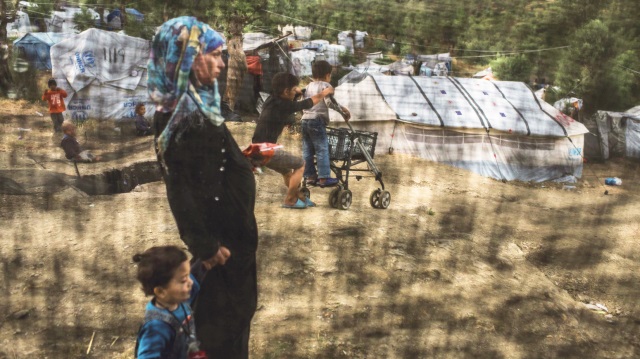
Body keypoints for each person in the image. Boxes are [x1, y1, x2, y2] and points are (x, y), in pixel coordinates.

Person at [148, 17, 257, 359]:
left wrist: (242, 163)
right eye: (214, 55)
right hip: (219, 250)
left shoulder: (200, 101)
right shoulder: (178, 113)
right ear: (187, 57)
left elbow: (212, 162)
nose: (223, 63)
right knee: (218, 331)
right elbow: (178, 186)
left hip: (234, 241)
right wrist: (206, 245)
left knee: (236, 323)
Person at [251, 72, 334, 209]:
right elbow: (308, 102)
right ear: (286, 91)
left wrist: (297, 92)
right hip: (266, 150)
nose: (296, 91)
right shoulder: (285, 105)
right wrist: (325, 92)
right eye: (294, 88)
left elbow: (291, 101)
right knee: (300, 164)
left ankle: (299, 196)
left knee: (287, 172)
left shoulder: (271, 100)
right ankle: (290, 200)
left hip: (256, 148)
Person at [133, 246, 206, 359]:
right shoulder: (156, 327)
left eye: (188, 275)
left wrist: (205, 264)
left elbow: (195, 278)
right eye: (183, 280)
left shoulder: (179, 300)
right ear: (161, 291)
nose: (190, 282)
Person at [301, 60, 351, 187]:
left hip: (305, 120)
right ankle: (324, 177)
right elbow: (329, 103)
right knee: (322, 148)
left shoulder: (308, 86)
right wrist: (342, 110)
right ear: (328, 75)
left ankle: (310, 176)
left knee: (307, 150)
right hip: (317, 121)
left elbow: (303, 102)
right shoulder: (325, 86)